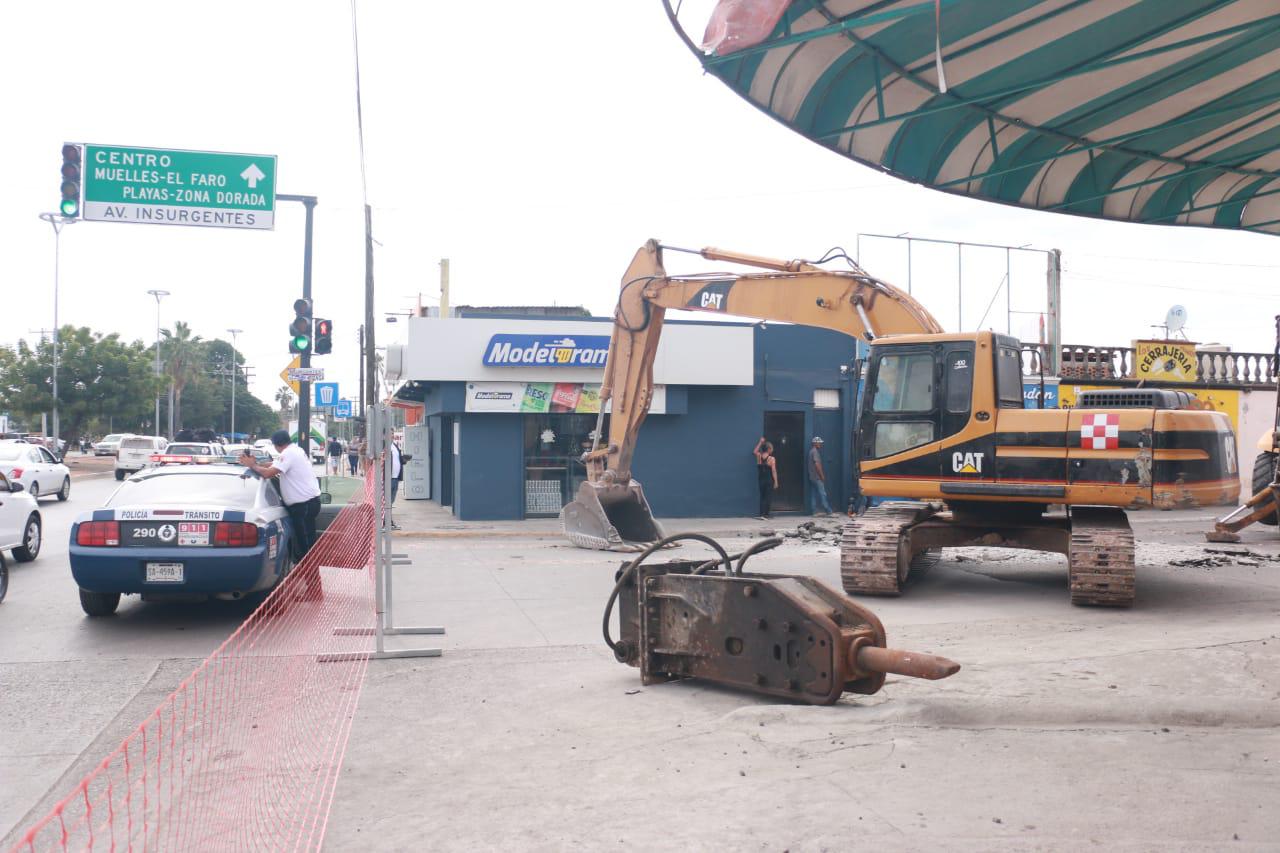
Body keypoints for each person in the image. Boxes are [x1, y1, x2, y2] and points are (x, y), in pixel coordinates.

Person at [239, 429, 323, 567]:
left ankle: (312, 580)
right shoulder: (295, 450)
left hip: (303, 507)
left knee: (305, 548)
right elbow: (274, 465)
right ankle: (311, 577)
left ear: (276, 445)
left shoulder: (288, 454)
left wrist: (252, 465)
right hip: (309, 504)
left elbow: (268, 474)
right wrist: (255, 463)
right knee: (306, 545)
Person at [753, 437, 778, 520]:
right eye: (772, 449)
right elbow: (773, 471)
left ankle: (761, 514)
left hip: (761, 480)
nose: (772, 450)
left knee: (762, 496)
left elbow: (755, 451)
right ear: (769, 449)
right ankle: (766, 514)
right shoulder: (772, 459)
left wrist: (760, 442)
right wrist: (776, 482)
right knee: (768, 497)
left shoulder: (759, 456)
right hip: (769, 480)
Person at [808, 436, 833, 517]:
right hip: (817, 477)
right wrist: (822, 475)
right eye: (819, 443)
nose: (820, 444)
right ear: (815, 443)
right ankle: (828, 511)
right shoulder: (815, 452)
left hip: (812, 477)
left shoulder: (811, 451)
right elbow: (817, 464)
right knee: (823, 494)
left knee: (813, 494)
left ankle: (814, 512)